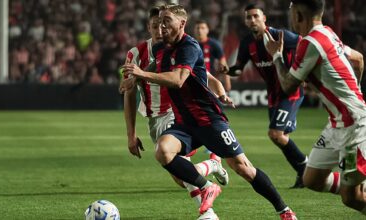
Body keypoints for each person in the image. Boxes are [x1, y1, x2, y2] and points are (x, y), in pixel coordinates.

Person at [123, 4, 297, 220]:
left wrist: (141, 74)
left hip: (209, 121)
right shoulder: (161, 49)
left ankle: (284, 210)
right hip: (184, 123)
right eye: (159, 22)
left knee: (244, 169)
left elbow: (177, 80)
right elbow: (153, 66)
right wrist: (135, 77)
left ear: (182, 23)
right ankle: (207, 187)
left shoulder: (190, 46)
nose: (162, 27)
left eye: (167, 21)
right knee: (163, 151)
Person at [120, 7, 231, 219]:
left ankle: (208, 213)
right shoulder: (135, 54)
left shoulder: (177, 49)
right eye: (155, 26)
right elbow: (128, 94)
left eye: (163, 25)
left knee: (185, 172)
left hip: (175, 114)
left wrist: (220, 91)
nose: (160, 31)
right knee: (181, 178)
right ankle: (213, 165)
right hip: (153, 119)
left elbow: (203, 75)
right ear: (149, 27)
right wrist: (130, 134)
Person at [264, 0, 366, 214]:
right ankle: (355, 181)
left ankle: (356, 185)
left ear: (299, 15)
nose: (291, 17)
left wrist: (276, 55)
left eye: (292, 12)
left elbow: (288, 86)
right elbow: (358, 59)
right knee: (311, 179)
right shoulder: (327, 33)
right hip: (336, 125)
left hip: (352, 129)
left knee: (351, 199)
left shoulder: (310, 42)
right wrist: (354, 90)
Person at [226, 4, 308, 188]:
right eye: (249, 17)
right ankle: (303, 171)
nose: (252, 20)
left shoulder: (281, 36)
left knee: (275, 134)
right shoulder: (247, 42)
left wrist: (301, 69)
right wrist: (229, 70)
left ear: (264, 18)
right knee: (280, 137)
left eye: (256, 16)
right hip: (273, 95)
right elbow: (239, 68)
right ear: (246, 21)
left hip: (290, 92)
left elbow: (303, 42)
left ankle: (305, 168)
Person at [194, 20, 231, 92]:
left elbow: (223, 64)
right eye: (197, 28)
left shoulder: (214, 44)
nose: (200, 30)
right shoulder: (190, 44)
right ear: (194, 30)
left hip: (211, 81)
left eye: (202, 28)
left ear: (207, 30)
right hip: (195, 81)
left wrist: (227, 82)